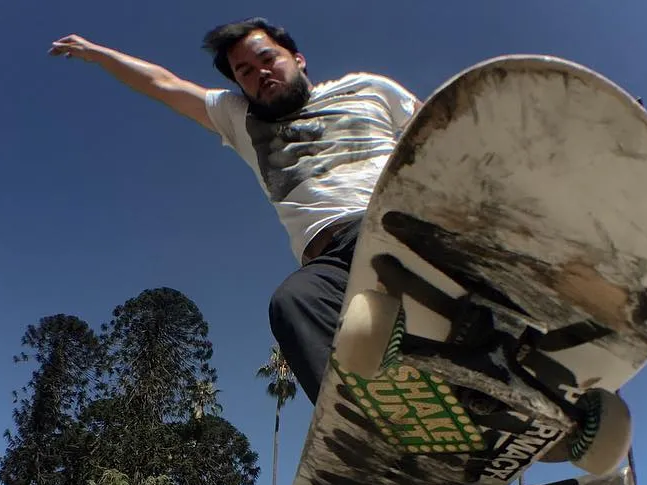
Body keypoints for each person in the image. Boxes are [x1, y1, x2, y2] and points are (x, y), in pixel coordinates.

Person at [49, 18, 421, 404]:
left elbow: (445, 130)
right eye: (245, 72)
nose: (260, 73)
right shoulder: (239, 117)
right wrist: (97, 54)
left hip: (392, 222)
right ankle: (376, 423)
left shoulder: (367, 88)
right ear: (239, 86)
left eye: (267, 59)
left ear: (298, 58)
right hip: (328, 260)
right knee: (293, 301)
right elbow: (164, 84)